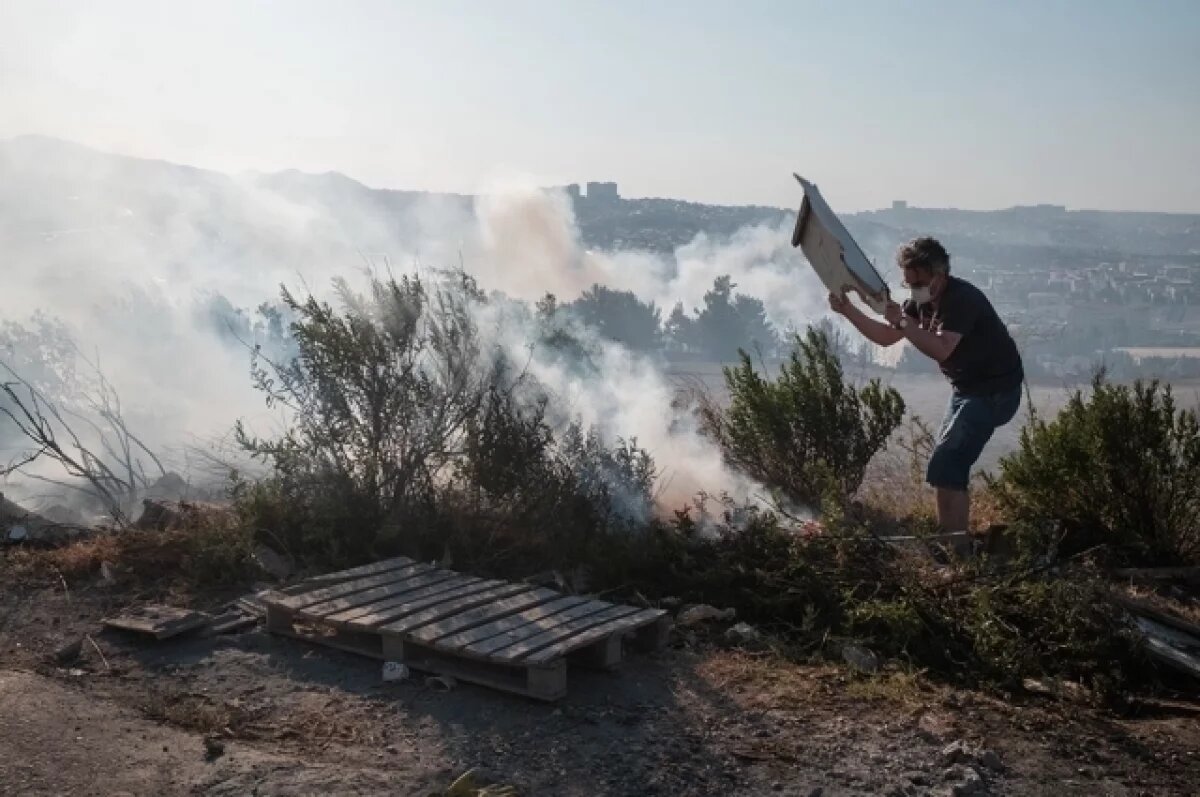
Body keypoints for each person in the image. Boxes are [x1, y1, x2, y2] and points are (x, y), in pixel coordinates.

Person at [828, 236, 1024, 544]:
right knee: (945, 466)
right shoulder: (919, 303)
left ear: (940, 275)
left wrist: (904, 323)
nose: (914, 290)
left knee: (948, 463)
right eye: (908, 284)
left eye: (919, 282)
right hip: (966, 390)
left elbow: (941, 348)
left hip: (995, 392)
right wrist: (848, 311)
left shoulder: (962, 299)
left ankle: (957, 547)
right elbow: (886, 337)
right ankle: (952, 541)